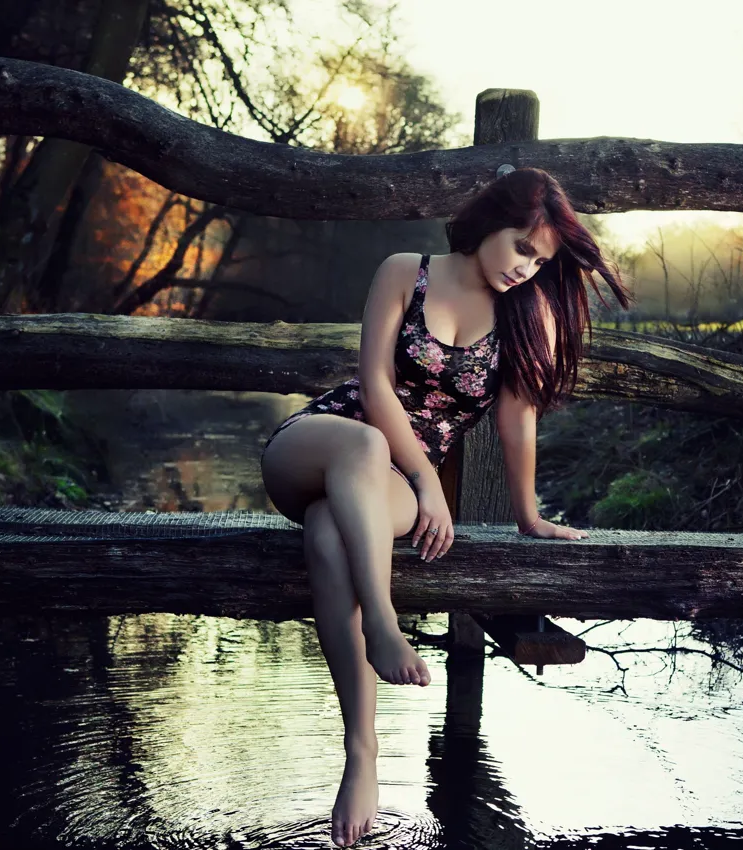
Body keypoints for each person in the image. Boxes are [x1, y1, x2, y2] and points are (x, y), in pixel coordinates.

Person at [258, 166, 632, 847]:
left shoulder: (529, 315)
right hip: (320, 445)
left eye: (541, 259)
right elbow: (373, 382)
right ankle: (383, 620)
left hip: (383, 492)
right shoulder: (406, 270)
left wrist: (529, 515)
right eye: (523, 246)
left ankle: (361, 755)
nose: (527, 267)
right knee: (364, 449)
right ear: (492, 221)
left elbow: (518, 423)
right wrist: (431, 482)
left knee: (326, 535)